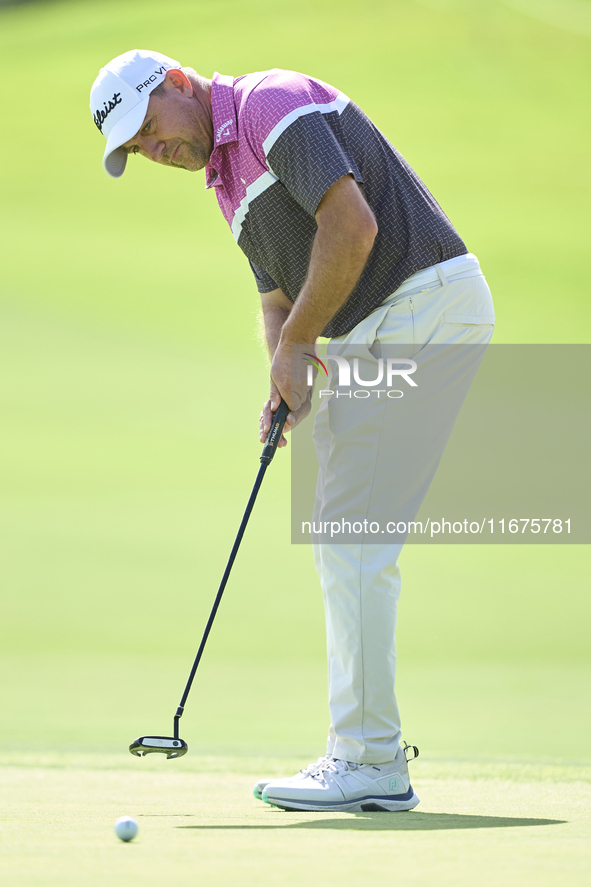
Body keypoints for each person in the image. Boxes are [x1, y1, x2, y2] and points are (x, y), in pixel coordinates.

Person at [90, 49, 495, 813]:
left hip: (421, 307)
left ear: (177, 83)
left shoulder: (271, 106)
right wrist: (286, 360)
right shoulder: (224, 181)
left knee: (349, 532)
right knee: (344, 532)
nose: (155, 152)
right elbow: (278, 293)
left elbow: (351, 226)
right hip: (380, 327)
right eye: (139, 151)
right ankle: (367, 754)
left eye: (149, 130)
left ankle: (370, 759)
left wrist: (302, 346)